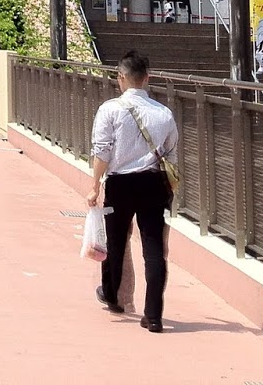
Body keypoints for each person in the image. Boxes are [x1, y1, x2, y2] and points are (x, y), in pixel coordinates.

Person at [87, 49, 179, 333]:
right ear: (147, 78)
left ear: (121, 77)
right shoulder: (164, 113)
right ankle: (154, 315)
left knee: (115, 240)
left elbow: (102, 151)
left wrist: (94, 186)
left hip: (120, 184)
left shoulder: (110, 109)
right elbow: (171, 153)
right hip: (154, 184)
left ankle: (114, 296)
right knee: (154, 248)